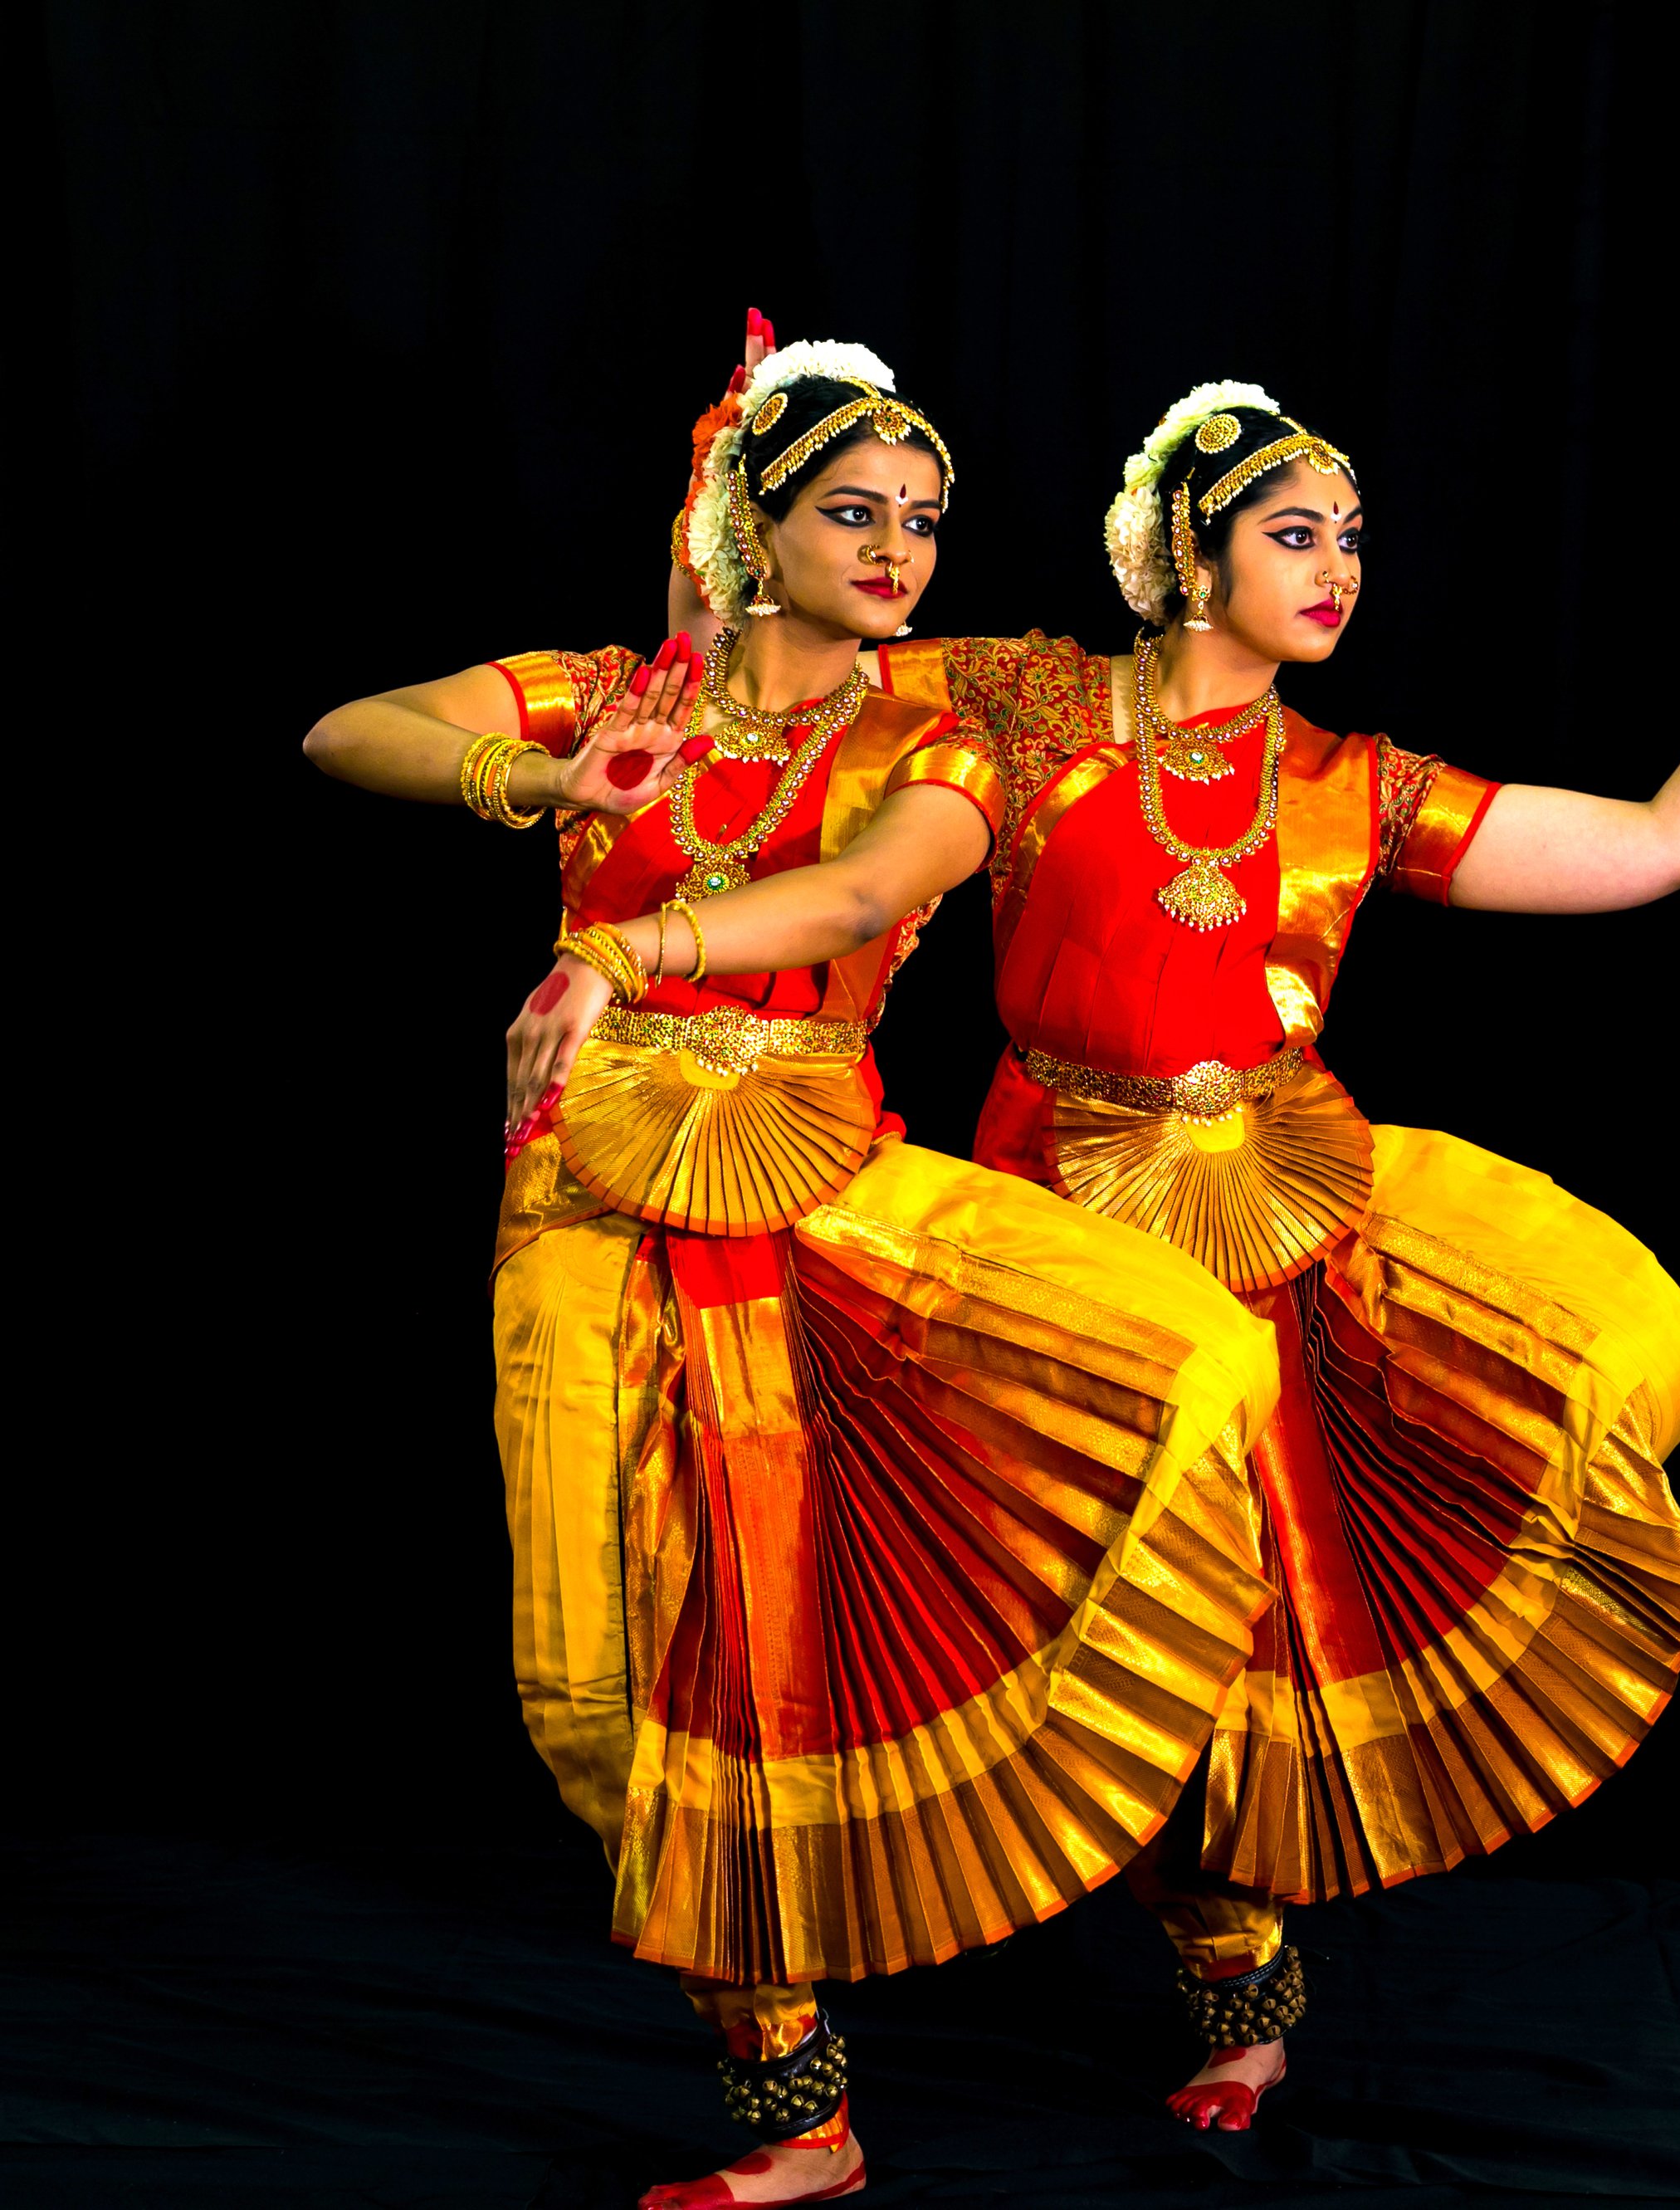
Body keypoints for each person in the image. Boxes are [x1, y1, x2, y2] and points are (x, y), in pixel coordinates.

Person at [305, 340, 1283, 2208]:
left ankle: (1224, 1938)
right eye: (852, 509)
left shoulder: (928, 738)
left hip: (835, 1205)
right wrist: (534, 771)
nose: (897, 546)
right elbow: (348, 726)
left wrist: (630, 943)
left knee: (1174, 1388)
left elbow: (848, 899)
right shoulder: (609, 692)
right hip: (591, 1217)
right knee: (613, 1682)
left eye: (919, 517)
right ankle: (794, 2106)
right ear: (751, 519)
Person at [852, 379, 1680, 2130]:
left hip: (1272, 1223)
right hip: (1052, 1224)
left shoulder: (1345, 787)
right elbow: (780, 694)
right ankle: (853, 1940)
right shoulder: (1021, 700)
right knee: (1010, 1596)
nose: (1336, 571)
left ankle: (1238, 1989)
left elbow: (1664, 848)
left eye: (1350, 540)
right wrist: (726, 530)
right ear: (1180, 550)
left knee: (1243, 1617)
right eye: (1292, 535)